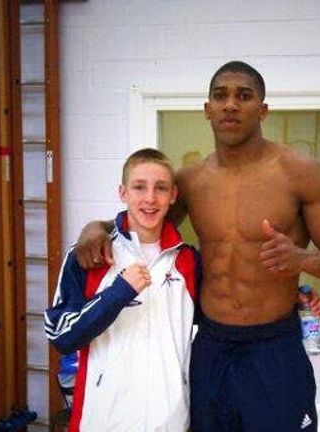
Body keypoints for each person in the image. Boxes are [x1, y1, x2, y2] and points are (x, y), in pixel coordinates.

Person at [74, 61, 320, 432]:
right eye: (220, 96)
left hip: (274, 345)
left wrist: (304, 259)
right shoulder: (191, 181)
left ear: (263, 109)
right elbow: (142, 219)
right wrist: (92, 228)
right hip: (212, 344)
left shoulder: (299, 172)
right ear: (207, 110)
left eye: (244, 96)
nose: (230, 105)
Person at [44, 149, 201, 431]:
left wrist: (296, 301)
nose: (150, 198)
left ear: (173, 195)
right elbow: (61, 336)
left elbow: (222, 315)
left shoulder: (188, 260)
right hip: (103, 419)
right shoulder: (90, 254)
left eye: (160, 188)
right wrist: (119, 293)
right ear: (123, 192)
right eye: (139, 187)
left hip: (170, 421)